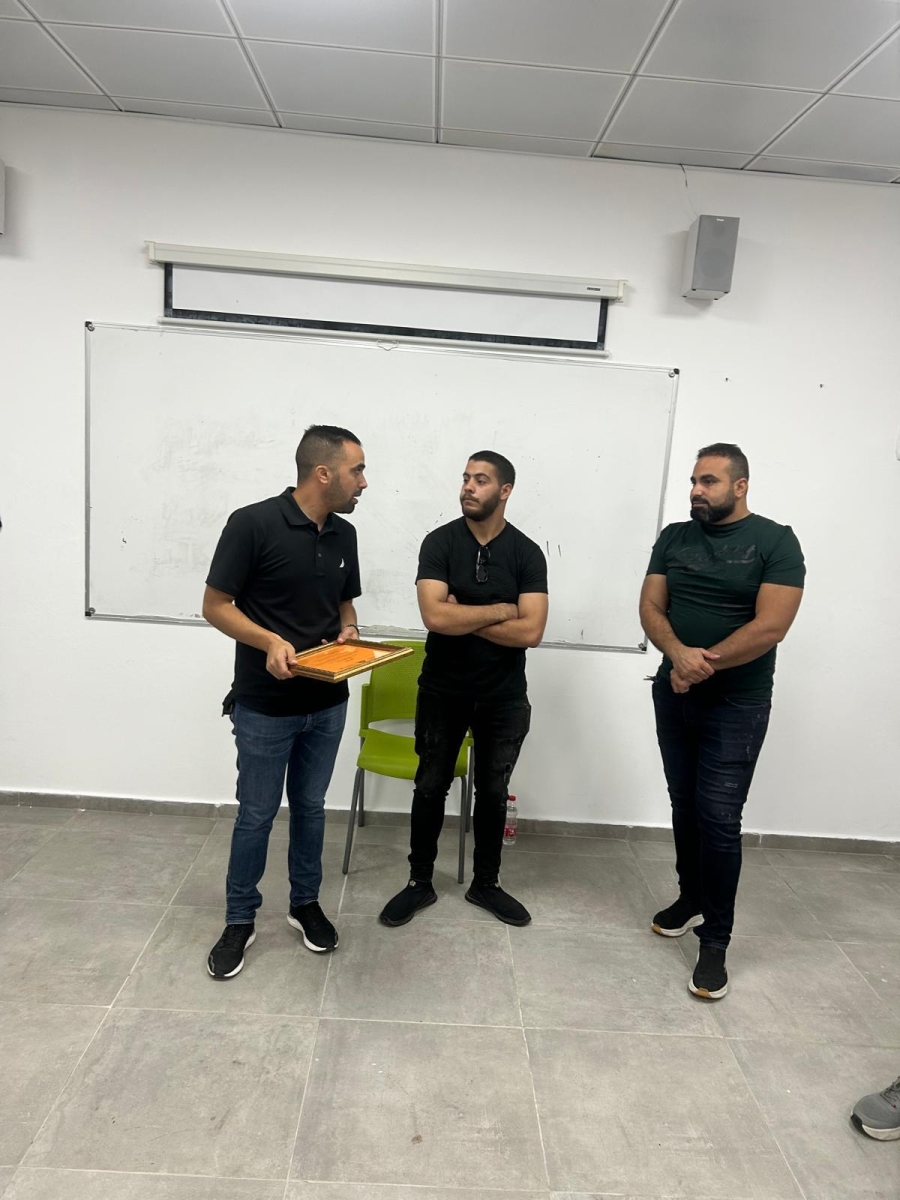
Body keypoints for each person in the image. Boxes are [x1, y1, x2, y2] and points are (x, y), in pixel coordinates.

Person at [639, 442, 804, 1000]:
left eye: (707, 481)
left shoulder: (775, 541)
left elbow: (771, 626)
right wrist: (677, 657)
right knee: (683, 803)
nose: (695, 490)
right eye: (693, 481)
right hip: (674, 693)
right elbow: (651, 607)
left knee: (718, 816)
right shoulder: (673, 538)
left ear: (740, 486)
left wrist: (697, 665)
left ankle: (715, 940)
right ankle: (690, 898)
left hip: (738, 704)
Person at [204, 425, 367, 979]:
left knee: (311, 807)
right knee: (256, 814)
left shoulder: (344, 534)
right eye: (356, 470)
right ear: (323, 473)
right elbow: (215, 605)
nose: (363, 482)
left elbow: (344, 603)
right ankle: (239, 919)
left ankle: (305, 904)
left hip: (328, 701)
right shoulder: (251, 523)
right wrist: (269, 641)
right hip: (265, 705)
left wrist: (350, 629)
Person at [380, 451, 548, 928]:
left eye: (481, 480)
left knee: (493, 791)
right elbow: (435, 616)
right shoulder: (439, 543)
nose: (468, 487)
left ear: (505, 491)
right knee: (430, 785)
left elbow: (532, 631)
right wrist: (501, 610)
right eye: (465, 478)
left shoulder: (527, 553)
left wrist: (464, 615)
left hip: (504, 696)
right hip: (443, 690)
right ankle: (419, 881)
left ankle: (486, 884)